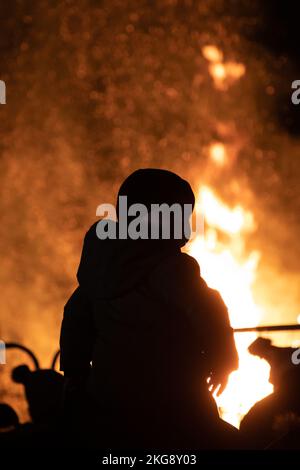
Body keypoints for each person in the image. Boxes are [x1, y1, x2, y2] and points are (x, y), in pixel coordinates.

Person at [60, 168, 239, 448]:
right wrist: (224, 360)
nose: (188, 227)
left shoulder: (101, 267)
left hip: (110, 397)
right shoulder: (172, 269)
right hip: (175, 397)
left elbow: (75, 319)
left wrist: (74, 373)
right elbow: (210, 313)